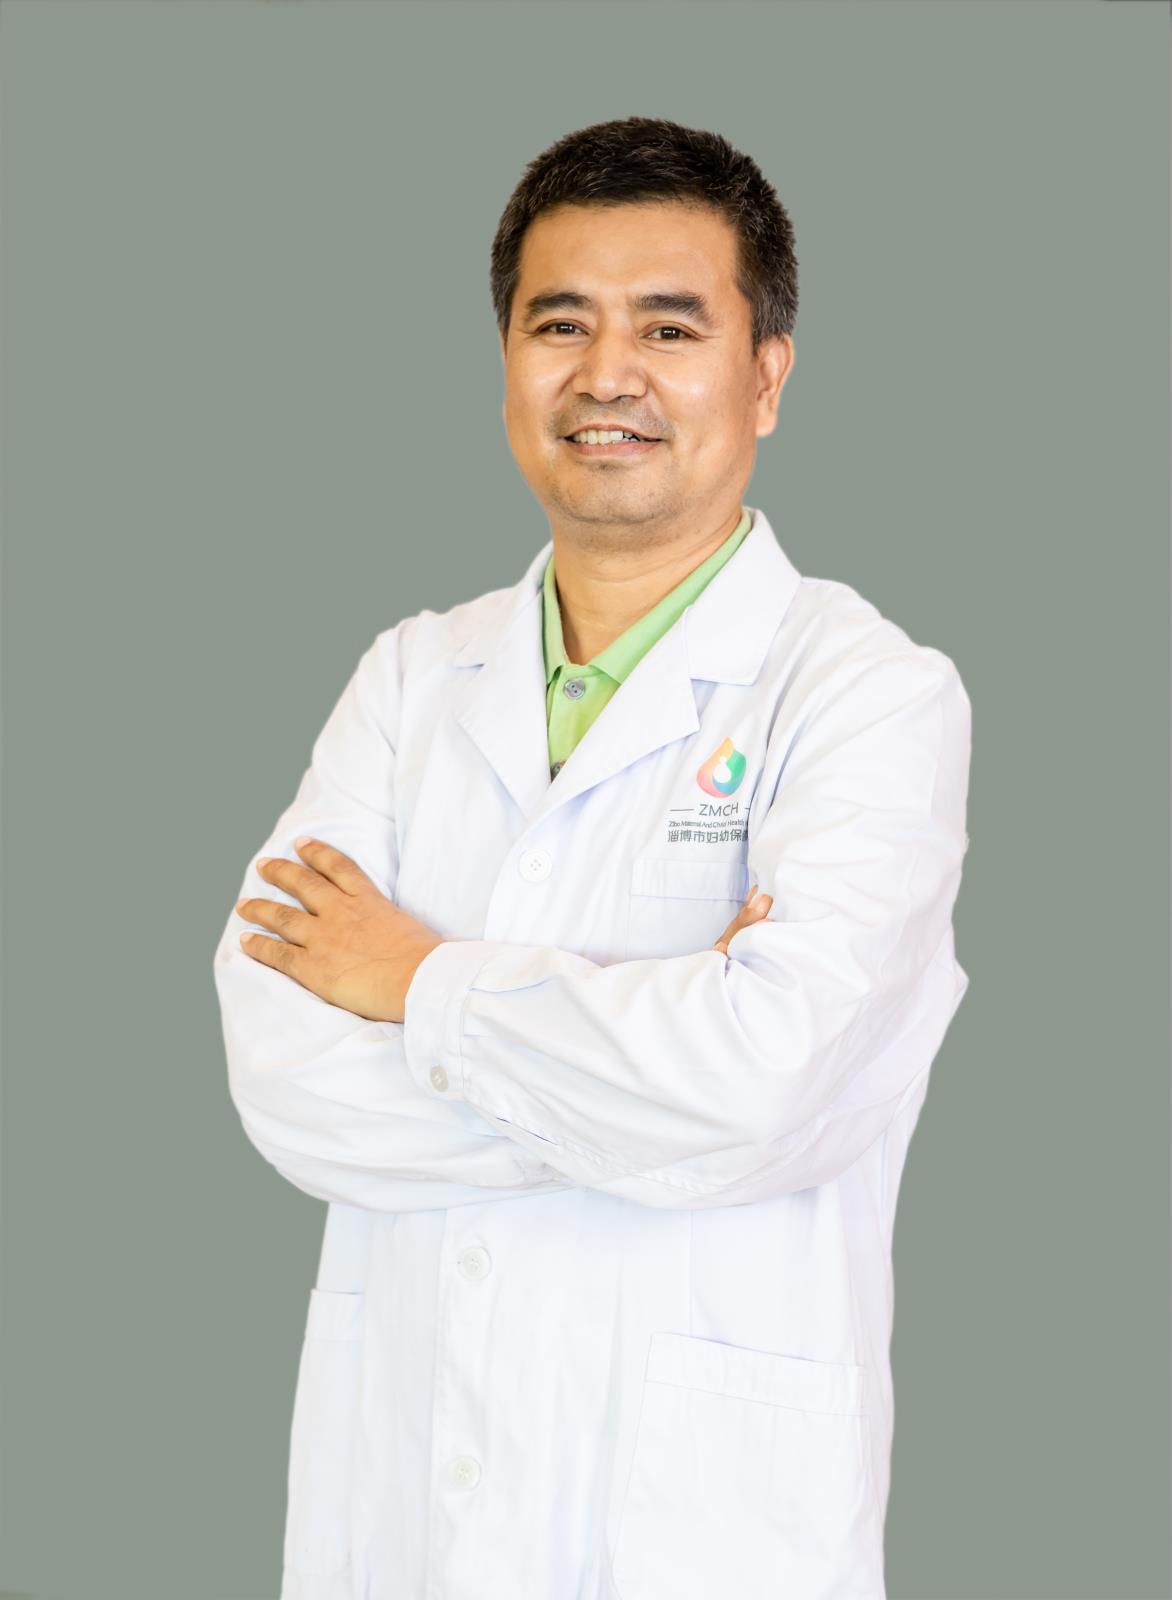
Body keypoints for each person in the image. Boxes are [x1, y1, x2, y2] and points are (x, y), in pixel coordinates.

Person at [213, 114, 971, 1600]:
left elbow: (768, 1079)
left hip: (706, 1531)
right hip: (402, 1515)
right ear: (506, 360)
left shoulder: (868, 693)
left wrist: (413, 984)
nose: (606, 373)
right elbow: (282, 1078)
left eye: (670, 328)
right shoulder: (410, 679)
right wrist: (671, 1075)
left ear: (767, 375)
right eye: (558, 324)